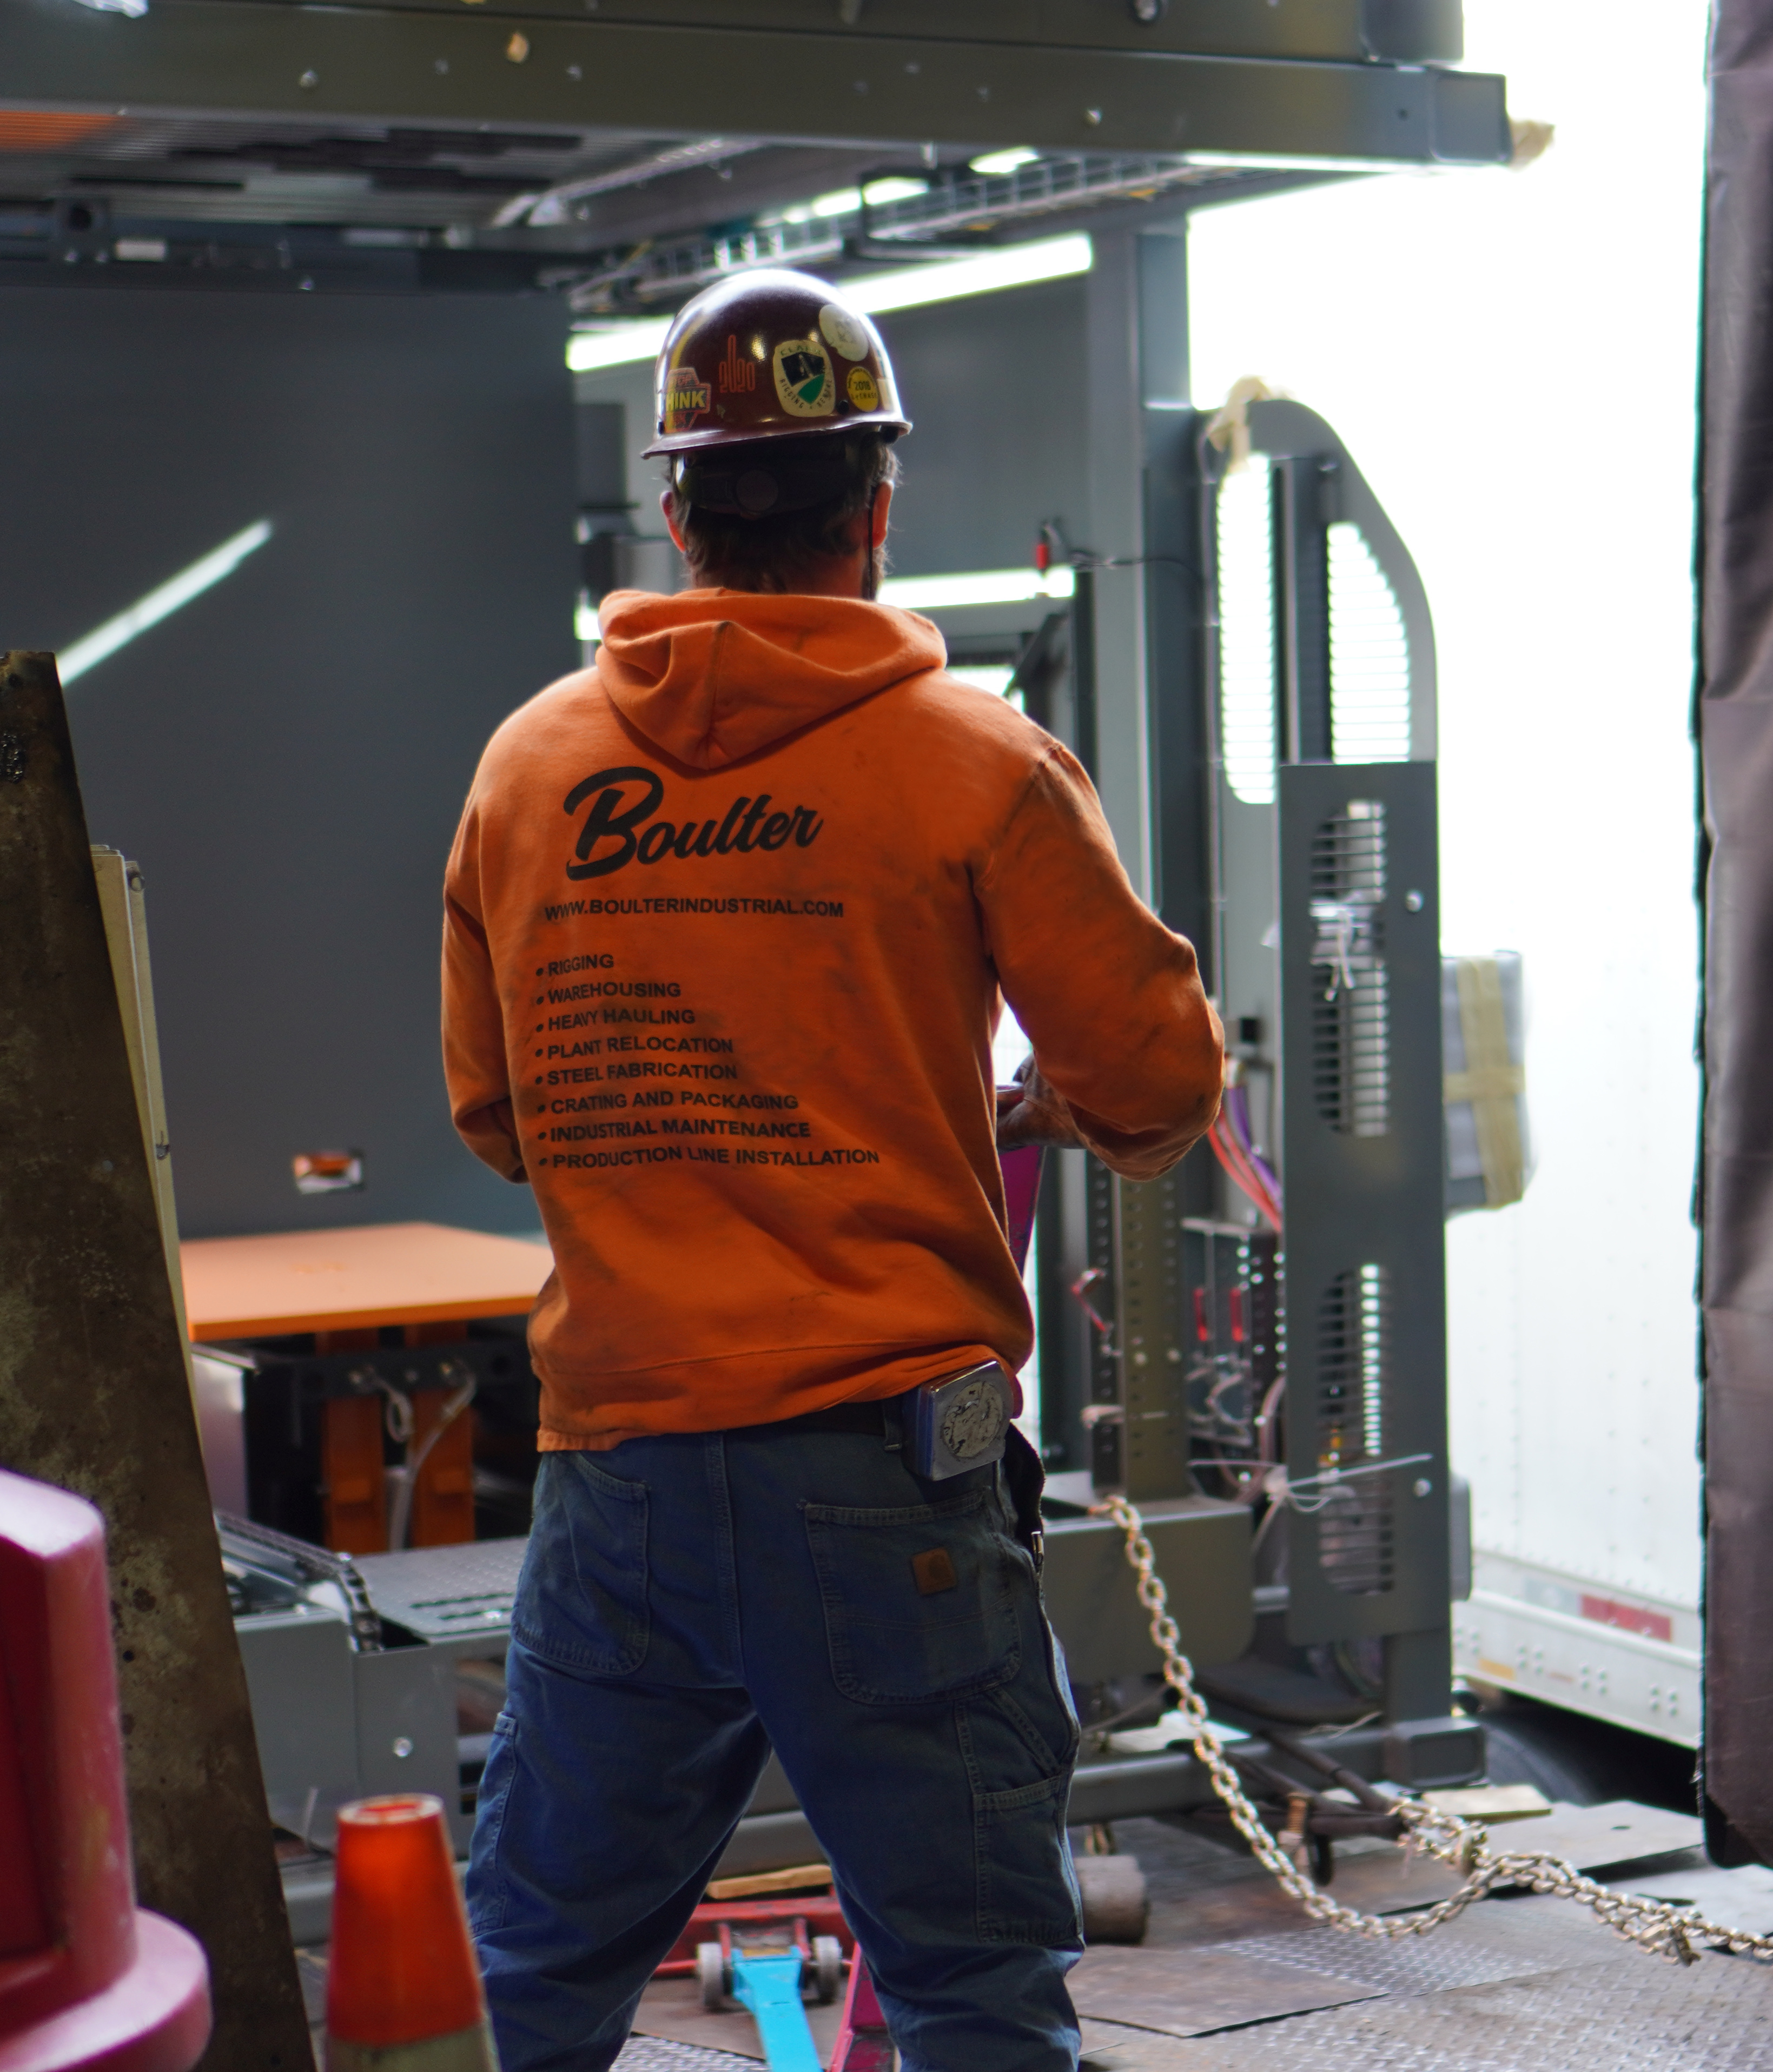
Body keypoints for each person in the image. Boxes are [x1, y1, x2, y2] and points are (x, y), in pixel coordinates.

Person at [441, 265, 1223, 2069]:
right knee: (968, 1989)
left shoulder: (528, 770)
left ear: (677, 509)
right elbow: (1159, 1076)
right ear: (878, 507)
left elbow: (501, 1114)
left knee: (533, 1982)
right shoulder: (974, 765)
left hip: (618, 1474)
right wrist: (987, 1099)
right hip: (885, 1483)